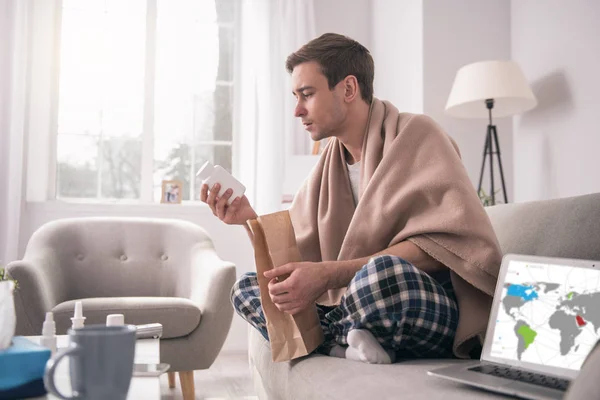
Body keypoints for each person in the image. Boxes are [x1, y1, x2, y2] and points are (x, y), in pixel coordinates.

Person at [201, 33, 502, 364]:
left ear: (347, 89)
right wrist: (247, 217)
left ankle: (330, 338)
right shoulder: (327, 167)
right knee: (247, 287)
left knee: (384, 273)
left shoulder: (418, 136)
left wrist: (329, 275)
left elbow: (443, 246)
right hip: (350, 305)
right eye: (295, 97)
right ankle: (346, 340)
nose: (297, 110)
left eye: (307, 94)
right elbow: (294, 251)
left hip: (419, 301)